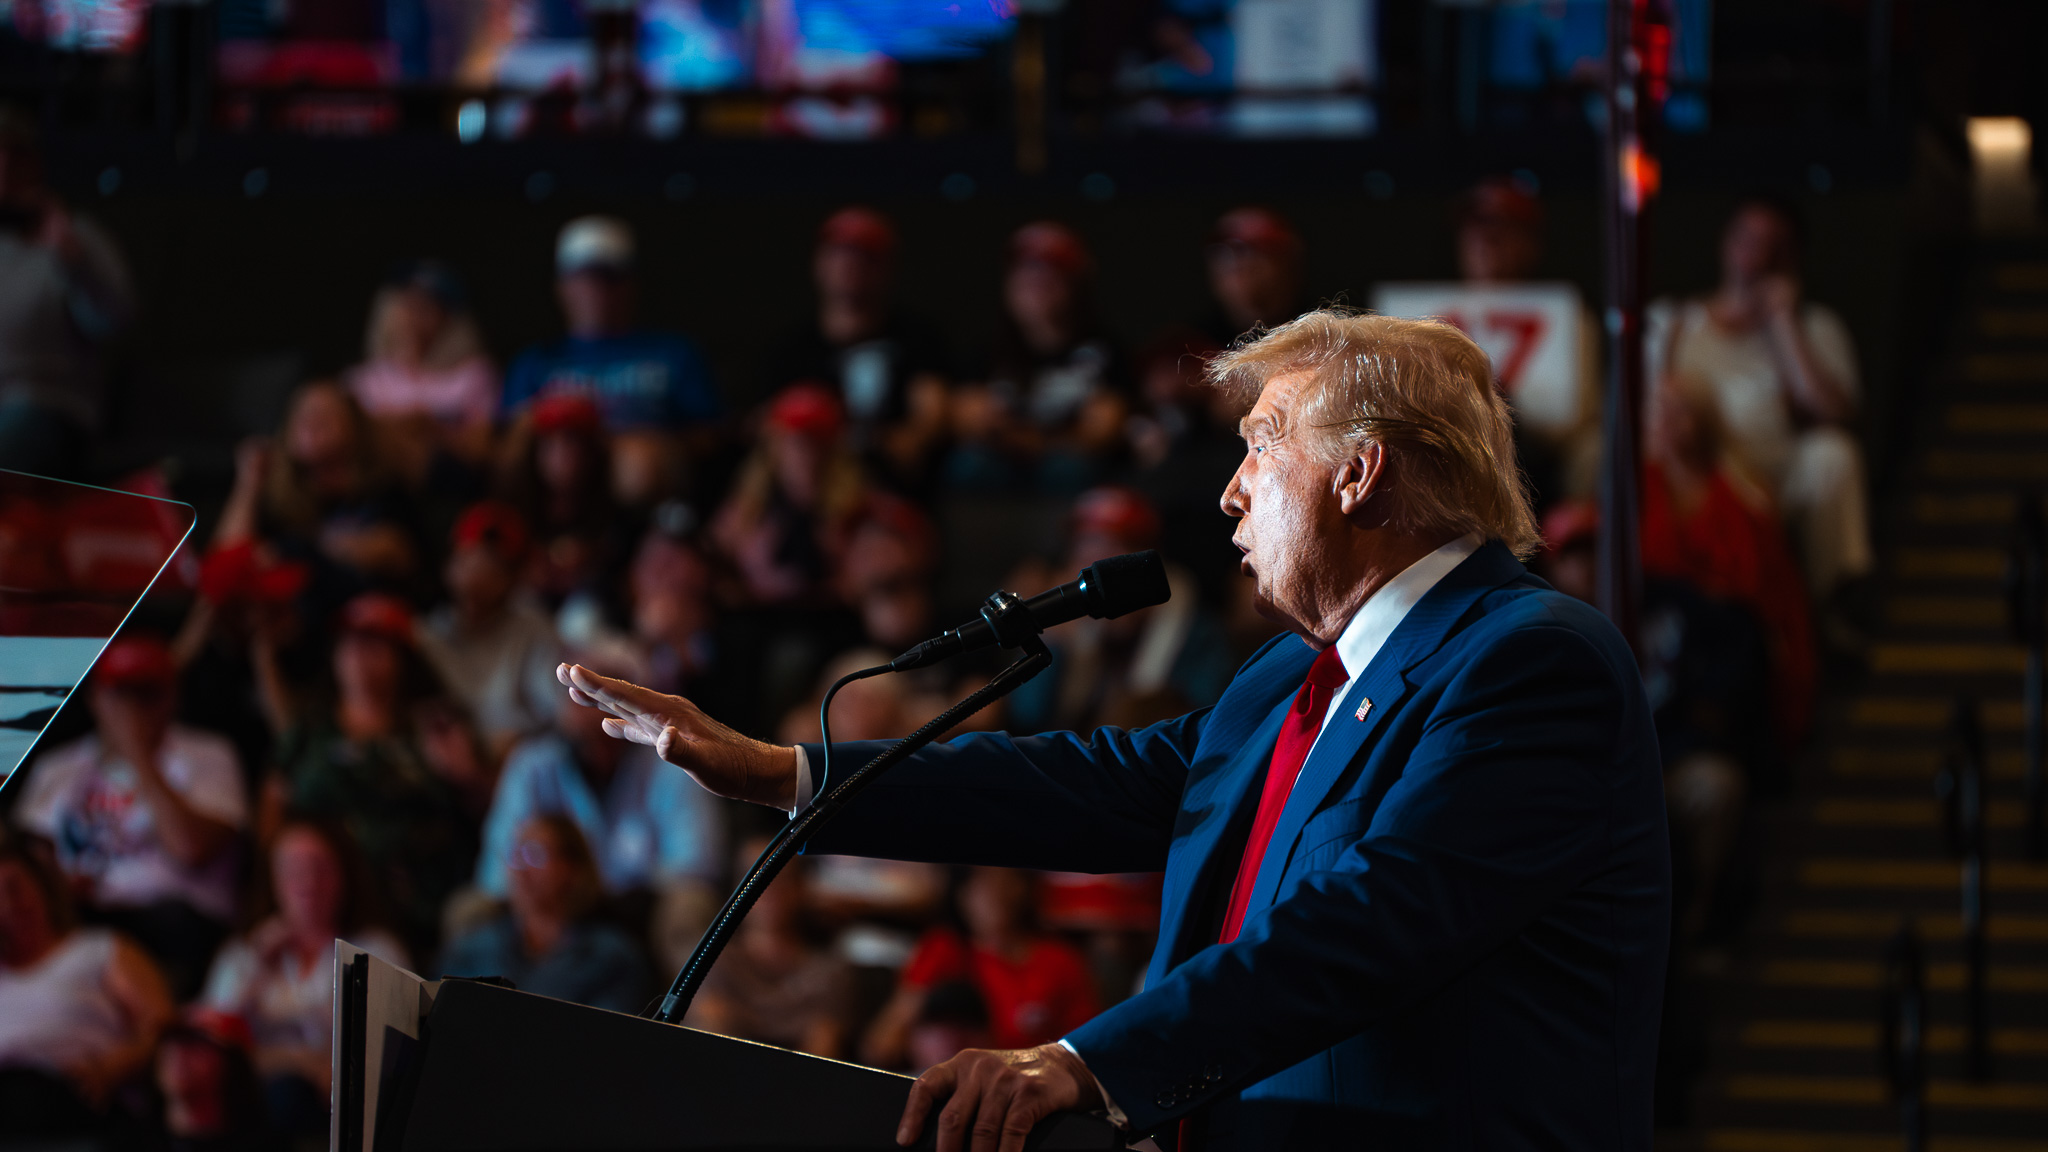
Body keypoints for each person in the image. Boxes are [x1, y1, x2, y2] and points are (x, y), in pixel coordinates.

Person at [559, 310, 1668, 1150]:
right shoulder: (1288, 674)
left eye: (1260, 444)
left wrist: (1083, 1062)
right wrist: (786, 773)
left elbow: (1368, 925)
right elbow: (1086, 785)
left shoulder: (1527, 662)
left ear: (1358, 473)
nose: (1229, 495)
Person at [1647, 196, 1871, 601]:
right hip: (1696, 469)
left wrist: (1783, 323)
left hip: (1776, 473)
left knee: (1835, 454)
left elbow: (1835, 413)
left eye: (1774, 245)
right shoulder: (1671, 322)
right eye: (1748, 239)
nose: (1758, 255)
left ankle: (1835, 603)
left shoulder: (1814, 326)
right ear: (1726, 244)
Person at [13, 635, 247, 999]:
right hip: (77, 919)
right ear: (95, 699)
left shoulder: (208, 756)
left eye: (148, 693)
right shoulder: (57, 769)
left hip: (171, 927)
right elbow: (25, 859)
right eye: (121, 693)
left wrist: (137, 752)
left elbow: (189, 848)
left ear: (173, 696)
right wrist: (58, 884)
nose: (133, 707)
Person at [475, 653, 724, 970]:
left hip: (643, 900)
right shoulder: (532, 764)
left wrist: (611, 895)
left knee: (690, 905)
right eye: (583, 693)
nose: (596, 705)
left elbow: (695, 862)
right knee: (470, 912)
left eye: (609, 694)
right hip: (554, 893)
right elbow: (498, 866)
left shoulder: (672, 763)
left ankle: (687, 1012)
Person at [264, 593, 474, 954]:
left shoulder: (433, 725)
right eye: (350, 645)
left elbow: (477, 811)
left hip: (410, 899)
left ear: (403, 658)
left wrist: (467, 777)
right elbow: (273, 804)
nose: (359, 658)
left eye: (375, 646)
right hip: (318, 892)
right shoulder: (312, 729)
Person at [202, 818, 408, 1135]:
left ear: (344, 876)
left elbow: (390, 1050)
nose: (309, 882)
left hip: (344, 1103)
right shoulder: (244, 953)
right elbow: (212, 1041)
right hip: (259, 1100)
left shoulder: (375, 949)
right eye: (293, 870)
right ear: (273, 879)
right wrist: (254, 967)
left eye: (321, 868)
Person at [501, 216, 722, 505]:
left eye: (610, 278)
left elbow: (712, 436)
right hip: (556, 481)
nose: (597, 290)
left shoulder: (673, 352)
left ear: (631, 285)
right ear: (562, 286)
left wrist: (643, 444)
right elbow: (510, 442)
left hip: (643, 480)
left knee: (637, 462)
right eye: (584, 278)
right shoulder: (536, 360)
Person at [762, 207, 953, 494]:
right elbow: (766, 423)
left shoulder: (917, 338)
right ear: (819, 264)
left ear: (887, 268)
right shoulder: (791, 348)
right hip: (813, 485)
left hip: (893, 486)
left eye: (866, 257)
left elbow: (930, 412)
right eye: (839, 254)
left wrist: (912, 437)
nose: (850, 266)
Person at [0, 840, 172, 1135]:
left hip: (79, 1099)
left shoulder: (97, 950)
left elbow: (165, 1028)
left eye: (15, 886)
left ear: (43, 888)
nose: (8, 903)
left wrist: (113, 1067)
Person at [0, 108, 135, 477]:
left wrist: (74, 263)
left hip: (47, 408)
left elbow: (113, 322)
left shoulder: (73, 238)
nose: (4, 170)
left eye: (14, 157)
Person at [949, 222, 1130, 495]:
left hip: (1067, 472)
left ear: (1077, 283)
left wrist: (1025, 438)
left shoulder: (1105, 350)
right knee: (970, 465)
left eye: (1051, 272)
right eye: (1025, 270)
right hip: (1002, 465)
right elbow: (968, 419)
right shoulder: (988, 349)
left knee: (1069, 470)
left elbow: (1101, 433)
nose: (1035, 282)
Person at [863, 868, 1098, 1072]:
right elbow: (882, 1045)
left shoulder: (1060, 960)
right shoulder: (945, 949)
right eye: (980, 883)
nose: (994, 894)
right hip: (953, 1085)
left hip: (1032, 1089)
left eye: (1005, 881)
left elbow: (1084, 1053)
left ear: (1024, 888)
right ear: (961, 894)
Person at [439, 814, 650, 1014]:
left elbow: (611, 1040)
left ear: (572, 869)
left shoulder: (610, 959)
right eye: (516, 855)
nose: (522, 869)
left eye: (535, 855)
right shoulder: (474, 948)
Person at [416, 500, 564, 761]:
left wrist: (521, 742)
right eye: (471, 556)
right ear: (451, 562)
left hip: (522, 756)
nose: (479, 570)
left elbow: (557, 710)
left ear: (514, 577)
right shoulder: (427, 636)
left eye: (495, 563)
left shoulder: (531, 628)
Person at [685, 835, 854, 1058]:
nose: (768, 890)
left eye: (781, 878)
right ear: (736, 887)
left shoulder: (830, 974)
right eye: (754, 879)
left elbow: (822, 1055)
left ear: (800, 888)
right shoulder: (711, 961)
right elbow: (704, 1041)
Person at [346, 260, 499, 473]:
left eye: (428, 306)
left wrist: (427, 426)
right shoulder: (362, 380)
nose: (414, 316)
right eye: (407, 303)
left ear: (450, 320)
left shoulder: (473, 374)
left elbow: (484, 447)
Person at [155, 1008, 278, 1152]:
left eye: (195, 1042)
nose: (178, 1053)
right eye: (171, 1040)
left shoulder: (260, 1143)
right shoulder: (134, 1138)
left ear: (232, 1062)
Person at [1199, 208, 1304, 348]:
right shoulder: (1186, 350)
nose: (1238, 260)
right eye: (1223, 249)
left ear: (1289, 261)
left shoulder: (1325, 337)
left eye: (1258, 245)